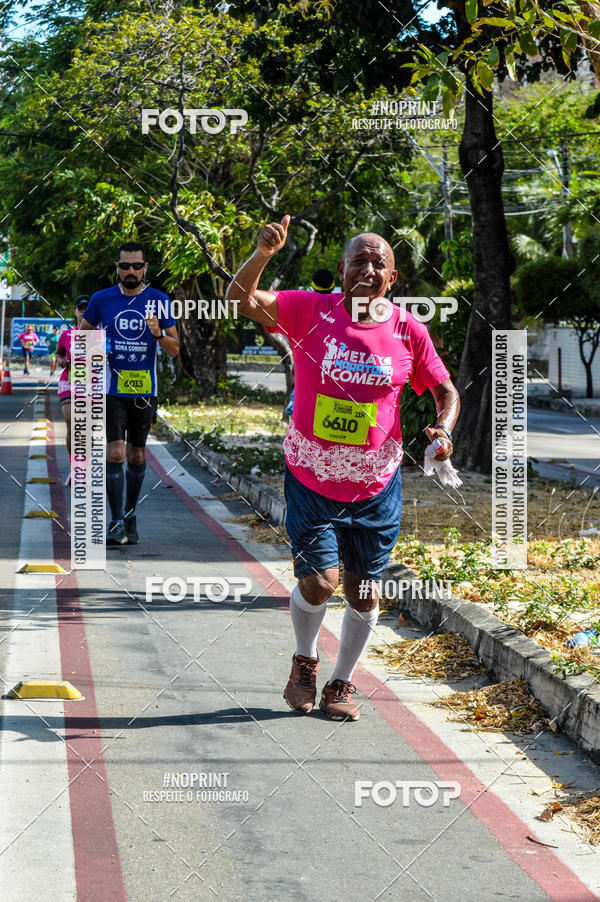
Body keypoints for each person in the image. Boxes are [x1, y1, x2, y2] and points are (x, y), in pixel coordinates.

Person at [227, 215, 460, 721]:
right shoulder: (309, 309)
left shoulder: (408, 329)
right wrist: (263, 252)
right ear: (342, 268)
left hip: (377, 483)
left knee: (365, 589)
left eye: (380, 263)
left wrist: (443, 428)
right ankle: (305, 661)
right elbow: (239, 299)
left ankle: (342, 682)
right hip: (312, 475)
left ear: (392, 279)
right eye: (360, 260)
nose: (369, 269)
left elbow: (446, 390)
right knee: (320, 582)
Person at [80, 241, 179, 546]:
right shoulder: (102, 299)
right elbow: (83, 337)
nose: (131, 271)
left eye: (137, 266)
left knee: (136, 454)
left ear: (146, 268)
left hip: (144, 391)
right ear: (117, 268)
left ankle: (131, 514)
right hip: (112, 390)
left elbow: (175, 350)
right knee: (116, 451)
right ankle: (115, 521)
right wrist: (96, 347)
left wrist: (158, 333)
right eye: (126, 266)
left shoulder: (160, 302)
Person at [56, 297, 90, 486]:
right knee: (73, 425)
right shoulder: (67, 334)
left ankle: (84, 467)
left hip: (93, 384)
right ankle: (74, 468)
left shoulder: (100, 334)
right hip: (69, 382)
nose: (84, 312)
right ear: (75, 311)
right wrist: (61, 360)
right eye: (81, 309)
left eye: (87, 308)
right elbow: (59, 353)